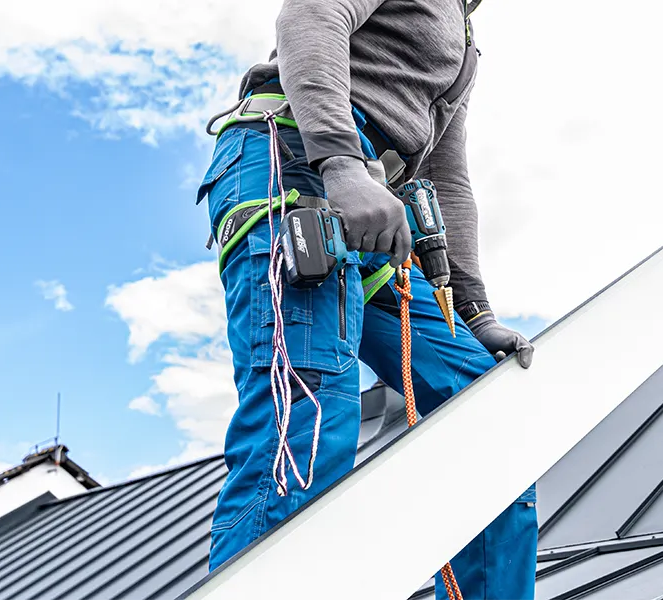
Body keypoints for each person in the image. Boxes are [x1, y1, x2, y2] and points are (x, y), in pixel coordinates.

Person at [195, 0, 537, 597]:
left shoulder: (463, 41)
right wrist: (342, 165)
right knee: (308, 415)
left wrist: (474, 314)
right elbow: (309, 19)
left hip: (380, 213)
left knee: (487, 407)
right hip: (294, 164)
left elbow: (449, 181)